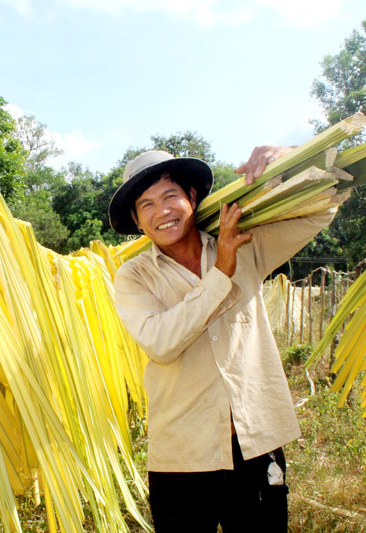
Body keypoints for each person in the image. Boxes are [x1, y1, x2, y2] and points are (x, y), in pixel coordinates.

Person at [109, 147, 336, 532]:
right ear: (136, 220)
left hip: (254, 444)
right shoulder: (134, 277)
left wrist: (285, 161)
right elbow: (160, 343)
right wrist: (222, 271)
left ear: (192, 198)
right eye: (146, 205)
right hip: (182, 457)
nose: (161, 211)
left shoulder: (245, 243)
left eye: (169, 196)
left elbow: (323, 207)